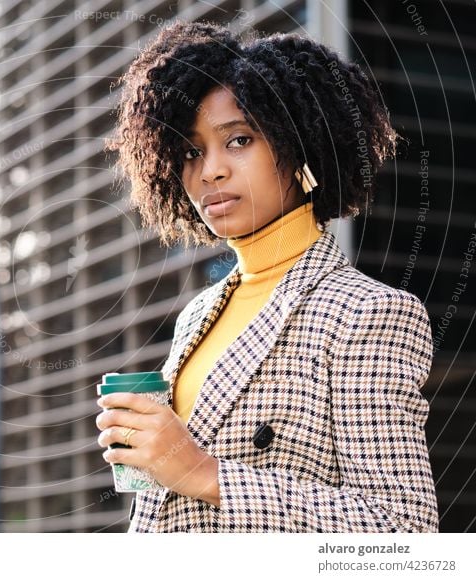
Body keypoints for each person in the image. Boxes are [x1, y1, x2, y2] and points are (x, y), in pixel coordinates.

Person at [96, 20, 437, 532]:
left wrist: (203, 472)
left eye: (238, 140)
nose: (209, 170)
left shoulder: (368, 314)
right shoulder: (197, 316)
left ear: (301, 147)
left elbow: (402, 532)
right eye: (191, 151)